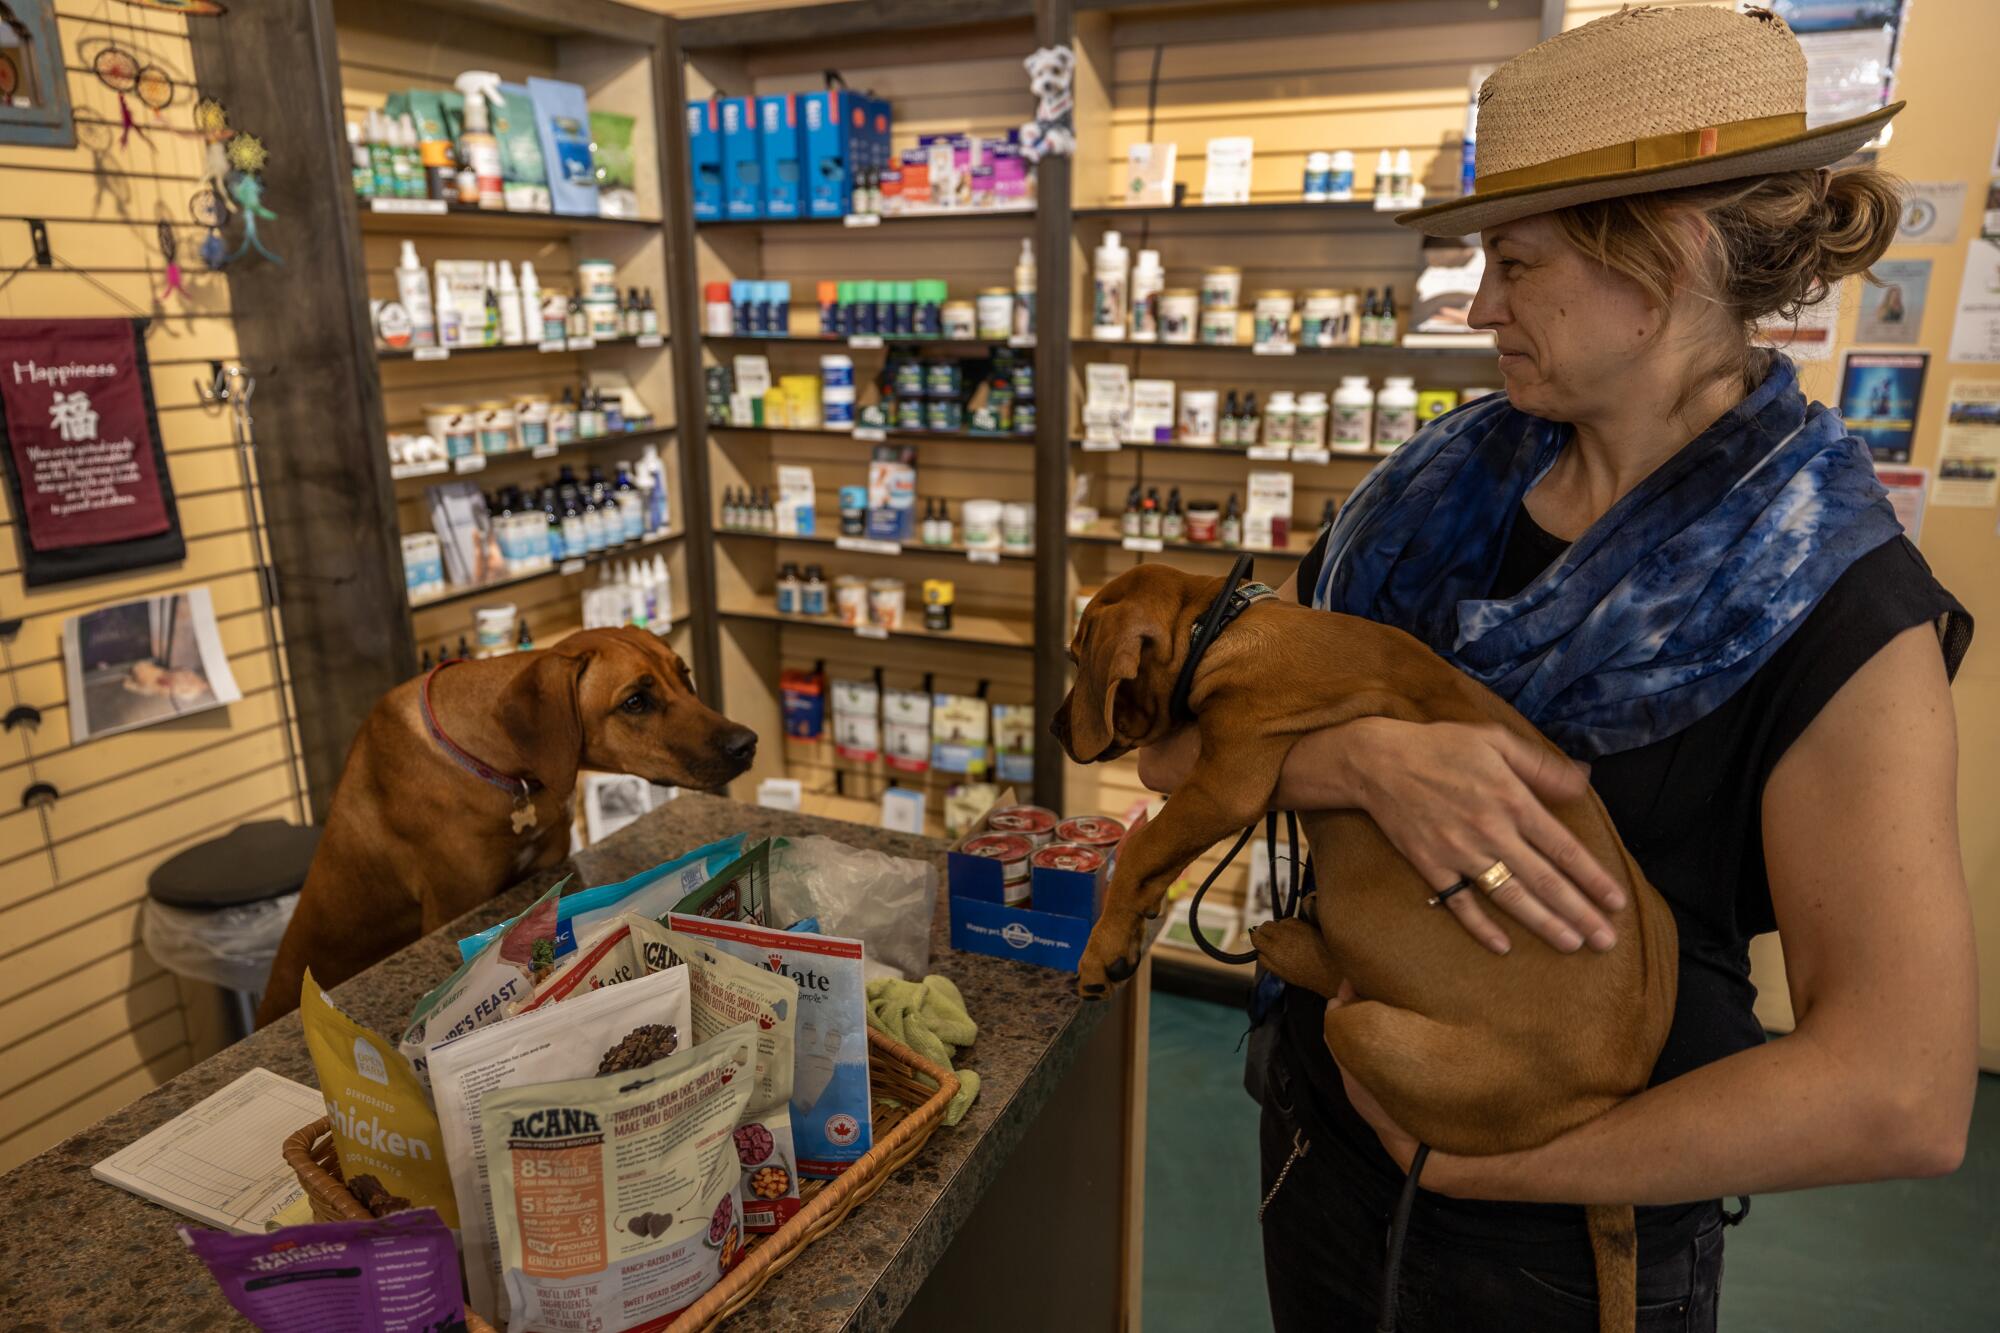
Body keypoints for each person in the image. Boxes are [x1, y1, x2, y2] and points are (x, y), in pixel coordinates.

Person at [1138, 9, 1976, 1331]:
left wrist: (1498, 1164)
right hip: (1315, 1132)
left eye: (1514, 262)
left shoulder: (1835, 599)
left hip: (1561, 1248)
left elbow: (1903, 1089)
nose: (1479, 305)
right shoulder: (1425, 496)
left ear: (1670, 254)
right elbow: (1171, 747)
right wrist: (1364, 760)